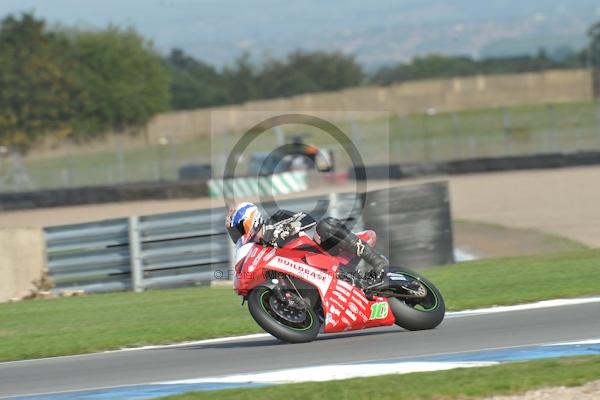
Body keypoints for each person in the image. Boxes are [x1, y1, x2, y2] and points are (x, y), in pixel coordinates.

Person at [225, 202, 389, 288]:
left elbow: (307, 219)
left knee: (325, 225)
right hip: (305, 277)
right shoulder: (256, 253)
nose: (238, 235)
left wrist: (284, 230)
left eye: (239, 229)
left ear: (251, 219)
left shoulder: (276, 219)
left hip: (324, 257)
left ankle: (377, 262)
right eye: (235, 233)